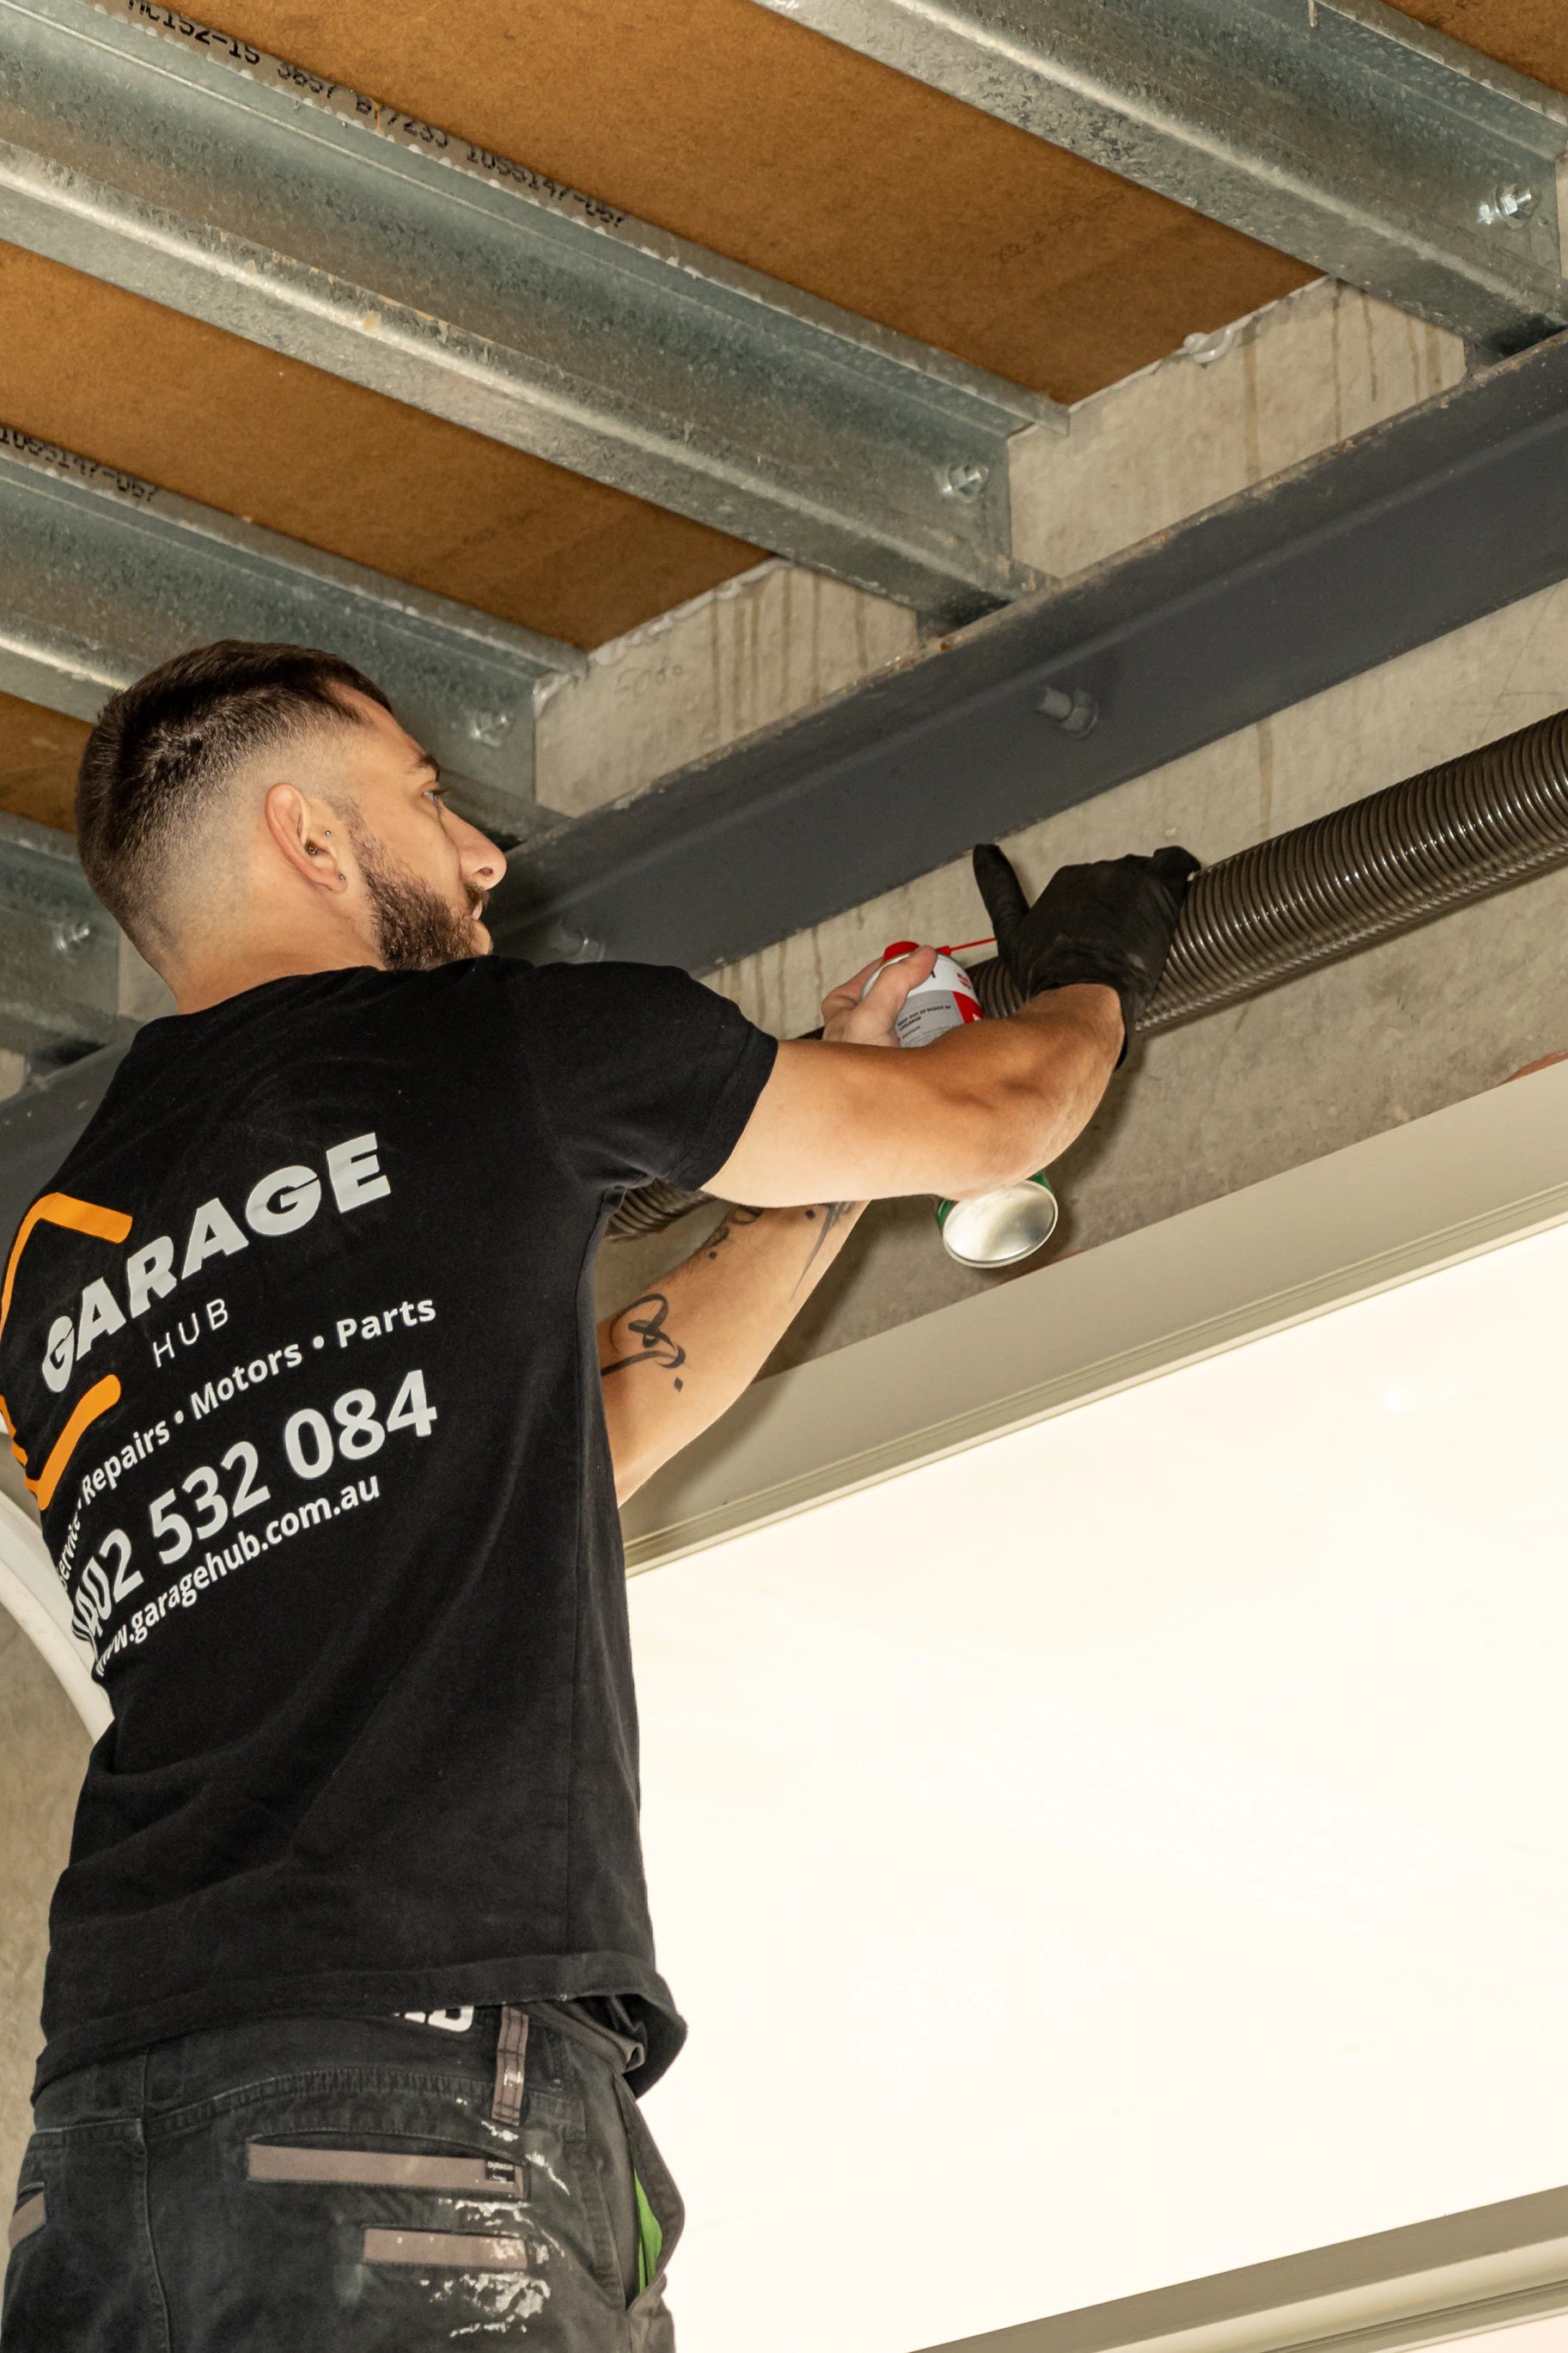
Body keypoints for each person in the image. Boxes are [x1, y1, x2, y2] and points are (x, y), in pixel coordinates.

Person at [0, 640, 1195, 2350]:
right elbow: (1008, 1111)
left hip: (101, 2157)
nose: (483, 853)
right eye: (425, 797)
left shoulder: (56, 1269)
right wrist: (1090, 966)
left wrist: (826, 1174)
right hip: (403, 2093)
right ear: (309, 840)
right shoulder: (496, 1047)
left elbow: (571, 1442)